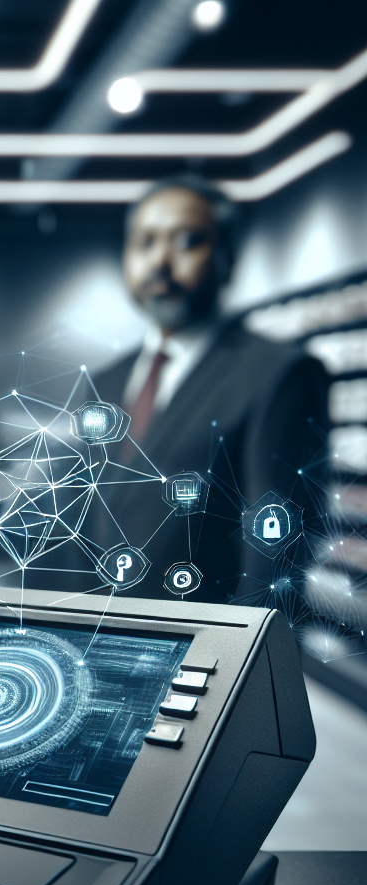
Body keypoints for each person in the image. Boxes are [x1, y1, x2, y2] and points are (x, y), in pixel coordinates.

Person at [89, 176, 328, 602]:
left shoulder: (278, 374)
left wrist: (236, 662)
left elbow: (274, 560)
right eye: (144, 242)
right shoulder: (106, 379)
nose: (160, 261)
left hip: (201, 650)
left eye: (186, 241)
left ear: (227, 258)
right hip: (94, 642)